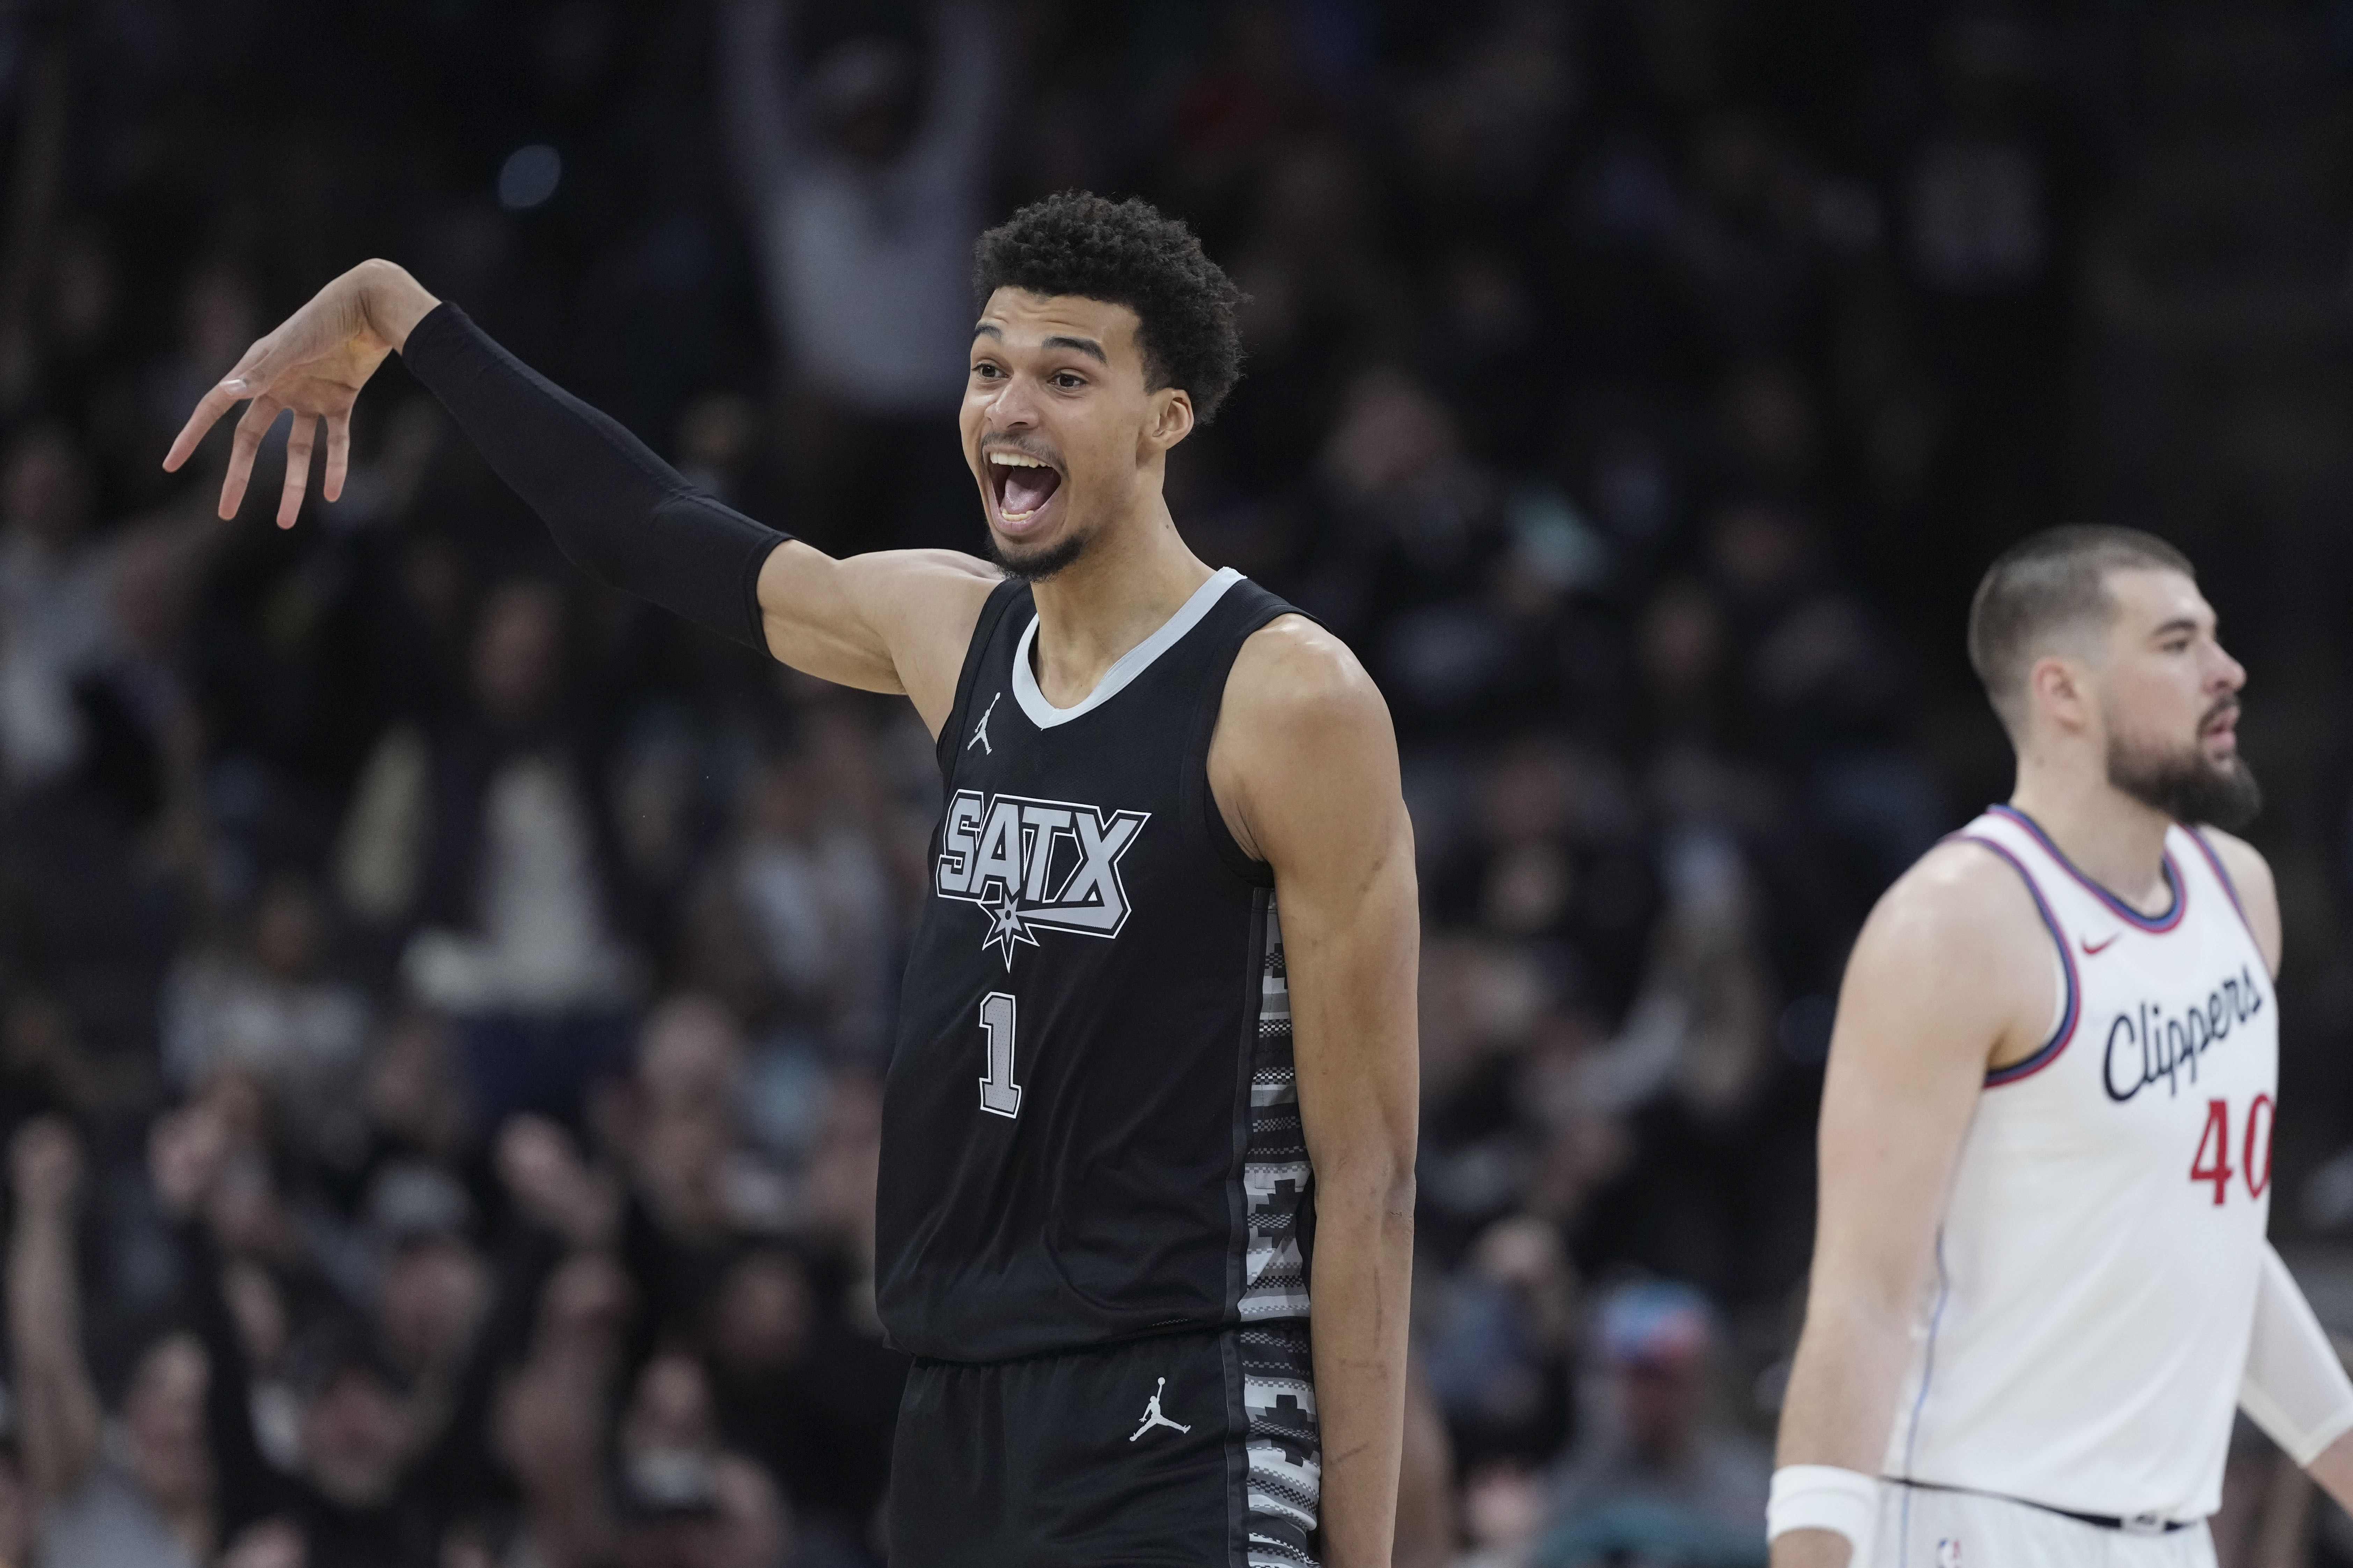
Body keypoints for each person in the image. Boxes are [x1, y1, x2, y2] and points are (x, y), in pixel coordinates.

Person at [164, 191, 1421, 1566]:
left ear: (1165, 418)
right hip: (955, 1406)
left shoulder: (1288, 699)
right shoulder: (955, 633)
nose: (1009, 406)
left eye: (1066, 376)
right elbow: (643, 525)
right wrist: (398, 315)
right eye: (989, 366)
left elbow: (1367, 1181)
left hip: (1180, 1408)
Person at [1768, 527, 2353, 1568]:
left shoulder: (2239, 896)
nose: (2229, 671)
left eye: (2216, 639)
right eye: (2179, 644)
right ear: (2065, 693)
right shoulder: (1954, 925)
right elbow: (1861, 1296)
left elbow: (2211, 1243)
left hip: (2173, 1535)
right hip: (1974, 1523)